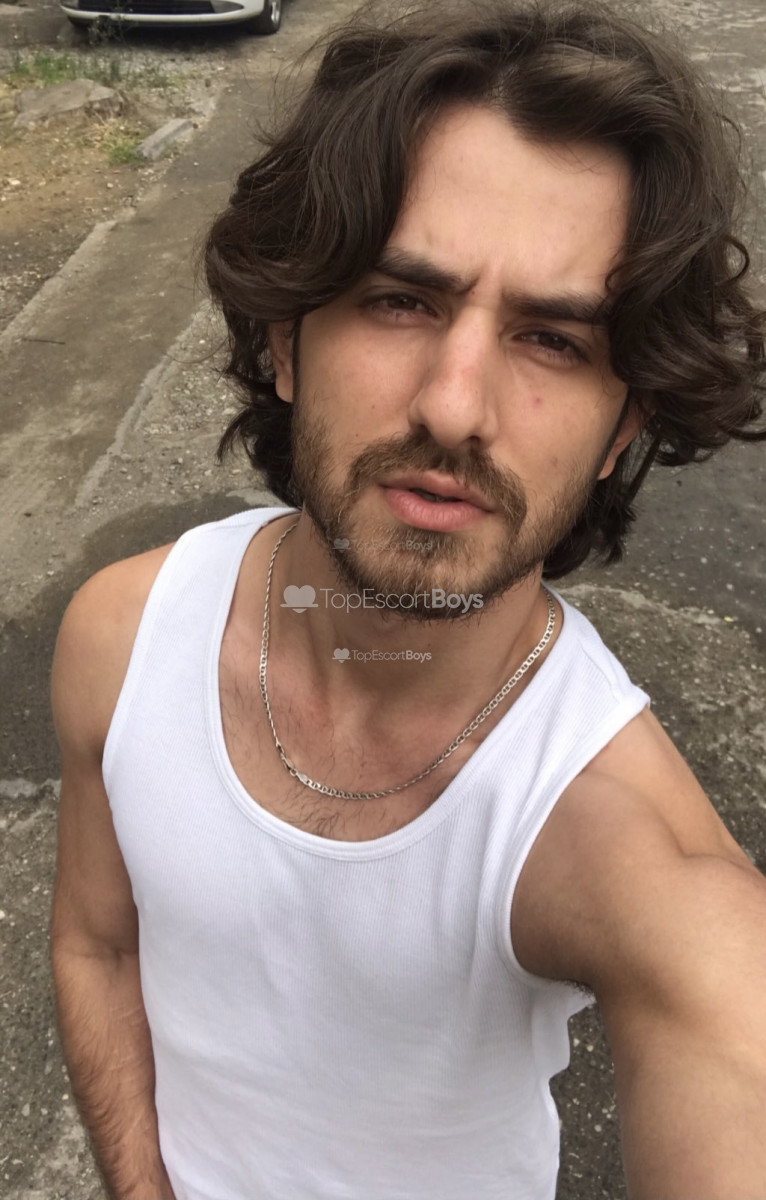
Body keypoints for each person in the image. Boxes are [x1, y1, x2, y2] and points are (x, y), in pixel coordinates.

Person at [50, 2, 766, 1198]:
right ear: (285, 340)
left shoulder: (624, 844)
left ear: (620, 429)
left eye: (552, 339)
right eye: (400, 300)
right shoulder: (119, 641)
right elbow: (96, 945)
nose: (453, 405)